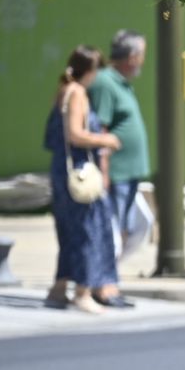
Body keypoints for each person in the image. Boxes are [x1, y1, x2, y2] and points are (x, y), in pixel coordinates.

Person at [43, 46, 123, 314]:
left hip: (62, 171)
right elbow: (75, 134)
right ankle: (83, 292)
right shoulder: (77, 92)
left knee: (69, 230)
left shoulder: (64, 90)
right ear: (90, 71)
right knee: (89, 229)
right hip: (79, 171)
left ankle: (58, 289)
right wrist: (106, 139)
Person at [88, 28, 150, 275]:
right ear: (132, 56)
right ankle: (102, 280)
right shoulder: (105, 82)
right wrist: (104, 172)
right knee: (112, 230)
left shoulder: (122, 84)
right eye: (142, 54)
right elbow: (100, 128)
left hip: (129, 173)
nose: (143, 60)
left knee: (142, 224)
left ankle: (107, 273)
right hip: (116, 174)